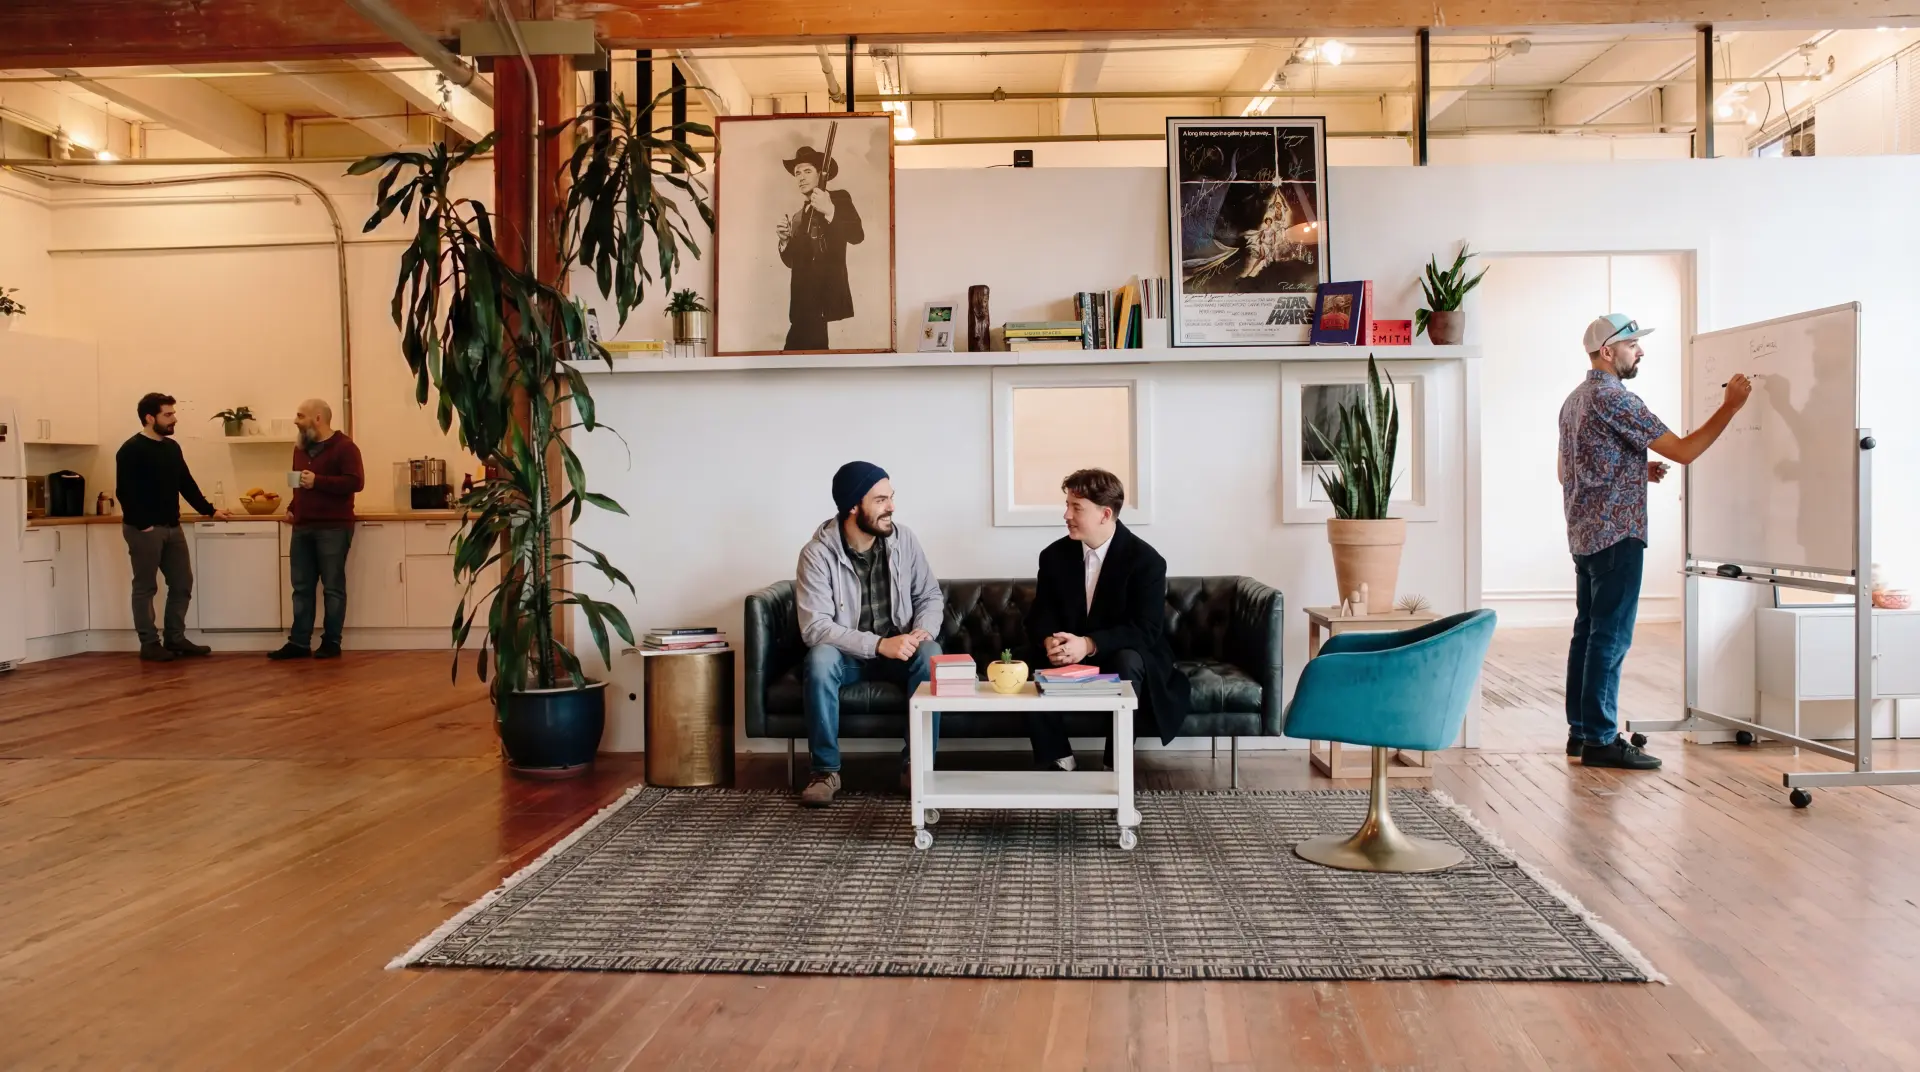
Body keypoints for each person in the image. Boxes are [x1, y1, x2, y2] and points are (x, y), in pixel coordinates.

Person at [1560, 314, 1751, 769]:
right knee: (1610, 636)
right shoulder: (1616, 399)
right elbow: (1684, 450)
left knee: (1587, 633)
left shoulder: (1575, 400)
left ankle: (1582, 734)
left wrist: (1635, 469)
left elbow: (1574, 468)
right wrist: (1730, 406)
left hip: (1585, 534)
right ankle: (1602, 742)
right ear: (1608, 352)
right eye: (1632, 345)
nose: (1640, 351)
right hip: (1618, 534)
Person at [794, 461, 944, 806]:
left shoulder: (903, 539)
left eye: (891, 498)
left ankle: (916, 766)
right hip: (849, 658)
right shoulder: (816, 555)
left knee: (932, 653)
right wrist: (878, 645)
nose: (891, 507)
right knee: (819, 659)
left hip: (902, 649)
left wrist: (922, 632)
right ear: (852, 506)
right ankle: (825, 770)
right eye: (880, 500)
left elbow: (929, 595)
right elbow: (815, 627)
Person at [1024, 468, 1190, 771]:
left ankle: (1116, 764)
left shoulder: (1147, 561)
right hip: (1070, 652)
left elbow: (1146, 630)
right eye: (1067, 505)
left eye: (1076, 507)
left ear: (1105, 514)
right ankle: (1057, 756)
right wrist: (1051, 640)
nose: (1066, 515)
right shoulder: (1053, 556)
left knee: (1128, 660)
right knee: (1029, 658)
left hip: (1121, 651)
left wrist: (1088, 644)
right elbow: (1040, 614)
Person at [115, 392, 230, 663]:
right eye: (168, 414)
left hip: (172, 527)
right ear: (149, 417)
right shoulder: (131, 449)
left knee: (182, 582)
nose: (174, 419)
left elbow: (185, 483)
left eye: (173, 413)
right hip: (144, 529)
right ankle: (149, 643)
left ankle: (175, 638)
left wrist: (210, 509)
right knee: (145, 587)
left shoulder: (172, 447)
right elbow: (124, 492)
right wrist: (142, 524)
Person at [270, 399, 364, 661]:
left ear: (318, 418)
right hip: (303, 526)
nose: (296, 420)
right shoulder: (300, 448)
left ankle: (331, 642)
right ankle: (299, 642)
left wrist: (318, 481)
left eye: (300, 416)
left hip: (334, 527)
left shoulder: (345, 447)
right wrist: (292, 505)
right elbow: (299, 483)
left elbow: (355, 482)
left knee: (333, 587)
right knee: (301, 587)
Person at [774, 144, 864, 351]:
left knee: (800, 359)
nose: (801, 177)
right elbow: (792, 262)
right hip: (802, 302)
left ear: (820, 174)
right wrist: (784, 241)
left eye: (807, 171)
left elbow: (857, 236)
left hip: (825, 297)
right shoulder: (798, 216)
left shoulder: (839, 198)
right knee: (809, 359)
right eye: (797, 173)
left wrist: (830, 210)